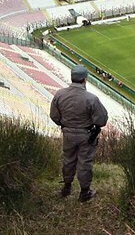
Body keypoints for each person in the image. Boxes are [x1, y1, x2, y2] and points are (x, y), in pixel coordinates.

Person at [50, 64, 109, 202]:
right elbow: (102, 120)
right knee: (84, 163)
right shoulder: (91, 98)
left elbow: (54, 116)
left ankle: (66, 187)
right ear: (85, 79)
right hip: (86, 135)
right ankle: (84, 192)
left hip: (68, 133)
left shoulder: (60, 94)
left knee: (68, 160)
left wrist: (65, 125)